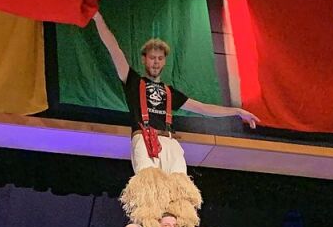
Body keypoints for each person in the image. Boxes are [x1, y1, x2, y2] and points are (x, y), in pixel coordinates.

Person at [90, 11, 259, 174]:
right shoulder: (133, 81)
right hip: (145, 139)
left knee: (180, 192)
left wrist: (236, 111)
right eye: (152, 57)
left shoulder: (170, 92)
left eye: (160, 58)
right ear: (144, 60)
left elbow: (203, 108)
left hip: (170, 142)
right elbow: (114, 49)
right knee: (148, 186)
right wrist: (97, 18)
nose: (156, 62)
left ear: (164, 62)